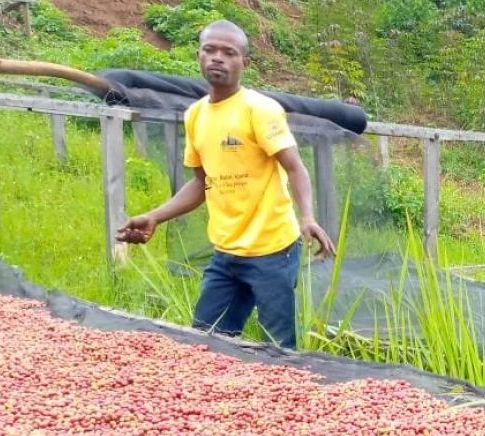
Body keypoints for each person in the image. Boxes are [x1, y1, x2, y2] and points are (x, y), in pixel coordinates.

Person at [117, 20, 335, 350]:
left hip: (272, 250)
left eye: (228, 52)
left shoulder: (259, 109)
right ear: (199, 56)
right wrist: (155, 216)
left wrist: (307, 217)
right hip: (226, 254)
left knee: (279, 349)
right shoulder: (194, 115)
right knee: (205, 344)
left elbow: (295, 167)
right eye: (210, 50)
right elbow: (201, 185)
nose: (217, 58)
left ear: (244, 63)